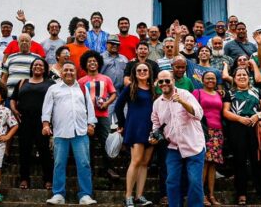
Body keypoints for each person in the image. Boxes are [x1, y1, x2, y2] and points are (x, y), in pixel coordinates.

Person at [42, 61, 98, 205]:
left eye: (71, 70)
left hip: (80, 131)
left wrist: (91, 124)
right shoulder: (53, 89)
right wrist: (46, 124)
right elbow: (47, 108)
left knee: (84, 163)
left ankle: (85, 195)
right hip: (61, 132)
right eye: (66, 70)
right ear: (61, 73)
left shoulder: (82, 88)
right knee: (59, 163)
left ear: (76, 73)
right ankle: (58, 194)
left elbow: (90, 107)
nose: (68, 72)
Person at [150, 70, 205, 207]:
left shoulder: (185, 94)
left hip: (194, 145)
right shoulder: (157, 103)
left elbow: (199, 114)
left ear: (173, 81)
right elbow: (156, 124)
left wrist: (182, 102)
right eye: (161, 81)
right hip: (173, 147)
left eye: (167, 80)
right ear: (157, 83)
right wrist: (154, 136)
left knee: (194, 181)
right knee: (172, 180)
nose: (164, 84)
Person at [223, 66, 261, 206]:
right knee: (239, 161)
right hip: (237, 128)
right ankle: (241, 194)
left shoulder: (257, 91)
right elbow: (225, 112)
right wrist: (240, 119)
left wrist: (257, 116)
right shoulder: (230, 93)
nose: (242, 77)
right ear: (235, 78)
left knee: (258, 160)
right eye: (238, 75)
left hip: (255, 128)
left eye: (244, 74)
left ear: (248, 76)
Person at [114, 62, 156, 207]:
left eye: (145, 70)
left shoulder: (153, 89)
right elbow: (118, 106)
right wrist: (122, 124)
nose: (142, 72)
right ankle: (128, 196)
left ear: (149, 72)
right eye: (139, 70)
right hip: (136, 127)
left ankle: (139, 195)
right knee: (136, 161)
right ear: (135, 73)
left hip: (151, 129)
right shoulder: (131, 87)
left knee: (145, 163)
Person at [11, 57, 55, 190]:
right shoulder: (22, 82)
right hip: (25, 121)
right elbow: (13, 99)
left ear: (45, 68)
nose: (38, 67)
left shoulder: (50, 84)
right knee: (24, 150)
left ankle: (48, 179)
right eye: (35, 65)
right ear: (31, 67)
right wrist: (14, 110)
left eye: (41, 65)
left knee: (44, 151)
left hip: (42, 122)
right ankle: (24, 179)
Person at [78, 50, 119, 179]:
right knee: (87, 145)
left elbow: (114, 94)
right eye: (89, 61)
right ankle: (88, 170)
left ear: (99, 63)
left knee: (105, 142)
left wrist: (107, 103)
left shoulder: (106, 79)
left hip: (103, 115)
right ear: (85, 64)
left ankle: (108, 168)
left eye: (94, 61)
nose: (92, 63)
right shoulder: (81, 81)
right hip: (87, 117)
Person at [193, 71, 225, 206]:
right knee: (204, 163)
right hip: (203, 130)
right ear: (203, 80)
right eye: (208, 78)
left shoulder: (219, 94)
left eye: (213, 78)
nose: (210, 80)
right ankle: (201, 195)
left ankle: (211, 195)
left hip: (218, 131)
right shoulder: (197, 92)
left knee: (213, 164)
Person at [1, 34, 40, 99]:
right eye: (22, 41)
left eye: (26, 41)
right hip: (10, 95)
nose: (24, 42)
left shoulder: (37, 58)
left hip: (29, 96)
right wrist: (2, 94)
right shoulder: (10, 57)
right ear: (18, 44)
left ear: (30, 44)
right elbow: (4, 78)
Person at [101, 35, 129, 107]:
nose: (115, 46)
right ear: (107, 44)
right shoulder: (100, 57)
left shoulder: (124, 58)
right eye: (112, 43)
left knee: (122, 117)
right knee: (107, 117)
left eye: (117, 44)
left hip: (121, 93)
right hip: (106, 94)